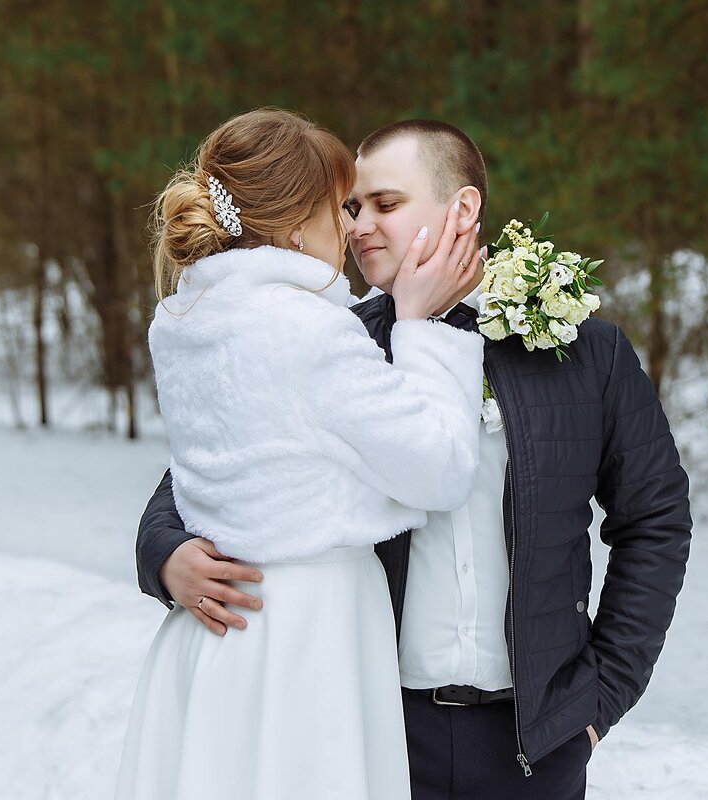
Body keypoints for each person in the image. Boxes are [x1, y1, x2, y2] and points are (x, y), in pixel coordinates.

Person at [135, 119, 692, 800]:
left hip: (534, 745)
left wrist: (599, 700)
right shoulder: (337, 337)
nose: (357, 225)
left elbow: (655, 520)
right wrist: (165, 554)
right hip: (369, 726)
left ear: (461, 210)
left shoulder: (586, 353)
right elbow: (215, 466)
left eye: (385, 205)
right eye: (350, 206)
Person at [115, 108, 486, 800]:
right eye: (338, 207)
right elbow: (440, 469)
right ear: (292, 226)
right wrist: (421, 330)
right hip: (306, 637)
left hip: (218, 634)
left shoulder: (184, 320)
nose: (352, 227)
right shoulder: (311, 332)